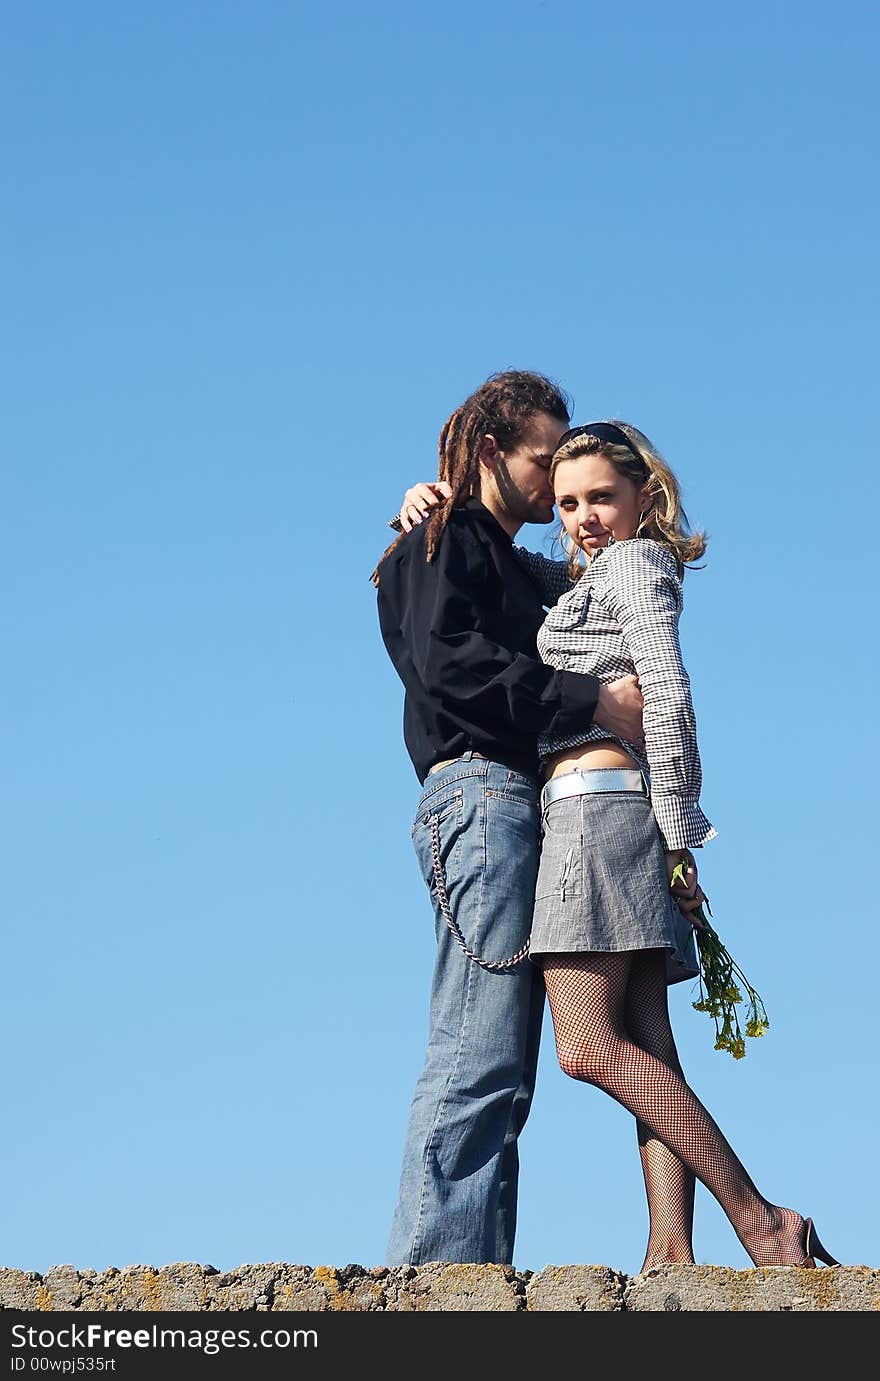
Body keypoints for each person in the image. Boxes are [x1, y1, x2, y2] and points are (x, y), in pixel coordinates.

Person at [506, 418, 838, 1269]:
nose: (582, 516)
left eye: (602, 498)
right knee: (650, 1049)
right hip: (616, 814)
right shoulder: (598, 573)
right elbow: (517, 569)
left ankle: (763, 1220)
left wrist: (680, 830)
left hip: (597, 814)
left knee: (584, 1046)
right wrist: (430, 505)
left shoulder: (634, 565)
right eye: (568, 501)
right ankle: (670, 1252)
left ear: (644, 496)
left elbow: (670, 696)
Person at [371, 371, 680, 1268]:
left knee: (506, 1069)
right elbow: (448, 667)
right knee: (477, 1051)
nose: (555, 484)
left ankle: (471, 1276)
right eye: (545, 460)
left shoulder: (503, 558)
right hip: (481, 796)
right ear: (489, 453)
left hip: (515, 804)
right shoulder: (447, 534)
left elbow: (600, 570)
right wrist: (593, 699)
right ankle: (437, 1283)